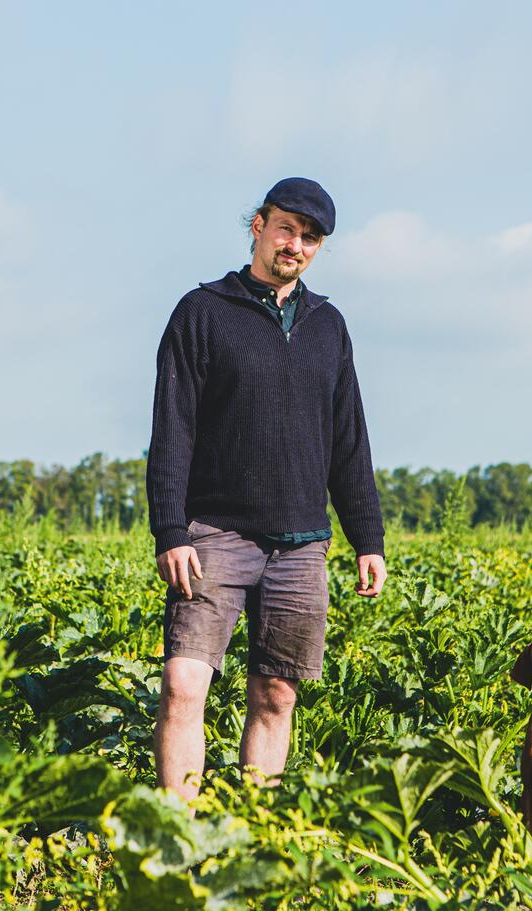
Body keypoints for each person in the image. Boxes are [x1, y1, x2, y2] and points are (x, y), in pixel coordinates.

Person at [146, 177, 387, 800]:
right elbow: (173, 427)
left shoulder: (328, 325)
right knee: (183, 686)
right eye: (286, 229)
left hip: (301, 546)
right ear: (258, 226)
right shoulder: (202, 312)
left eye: (310, 238)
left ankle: (256, 833)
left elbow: (348, 439)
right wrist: (170, 530)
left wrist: (368, 538)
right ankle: (176, 839)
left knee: (276, 693)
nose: (295, 245)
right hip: (213, 536)